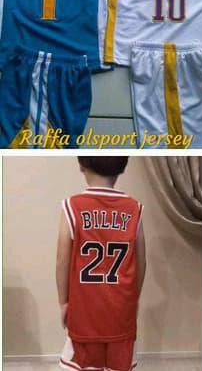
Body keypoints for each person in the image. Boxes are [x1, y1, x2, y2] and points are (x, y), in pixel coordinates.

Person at [57, 157, 146, 371]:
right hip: (121, 312)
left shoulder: (72, 206)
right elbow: (141, 261)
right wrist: (133, 299)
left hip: (84, 311)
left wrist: (63, 302)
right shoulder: (135, 208)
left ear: (81, 165)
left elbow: (62, 261)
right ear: (122, 167)